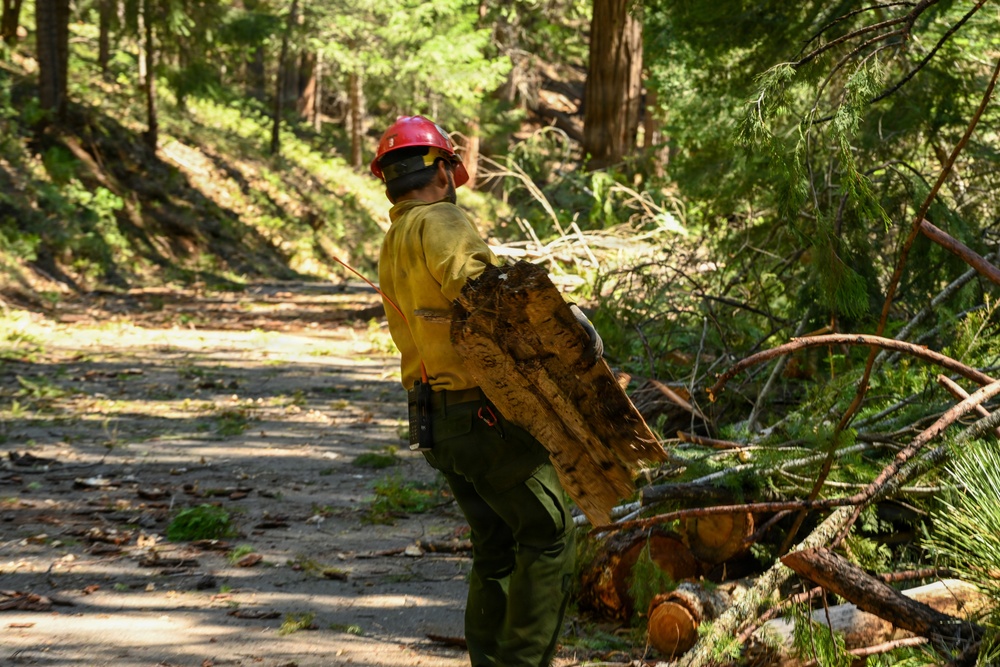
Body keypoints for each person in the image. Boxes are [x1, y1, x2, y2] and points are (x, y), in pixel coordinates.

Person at [371, 115, 592, 667]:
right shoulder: (440, 219)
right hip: (482, 415)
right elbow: (486, 297)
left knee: (495, 546)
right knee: (549, 535)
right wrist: (565, 324)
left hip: (437, 420)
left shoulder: (395, 236)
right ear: (444, 172)